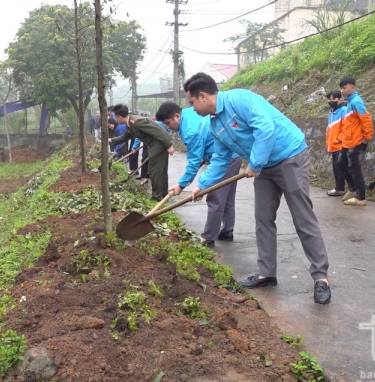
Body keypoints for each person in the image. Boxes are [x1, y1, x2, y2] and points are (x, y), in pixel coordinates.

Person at [183, 72, 331, 304]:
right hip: (264, 167)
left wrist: (254, 164)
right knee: (263, 219)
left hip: (289, 156)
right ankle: (266, 274)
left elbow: (265, 128)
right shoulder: (214, 124)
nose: (192, 109)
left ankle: (320, 277)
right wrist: (201, 185)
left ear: (202, 96)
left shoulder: (239, 99)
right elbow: (221, 159)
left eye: (192, 103)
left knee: (303, 217)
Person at [156, 101, 241, 248]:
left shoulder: (191, 130)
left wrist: (182, 184)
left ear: (177, 116)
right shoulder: (189, 113)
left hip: (224, 159)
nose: (168, 127)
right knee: (226, 198)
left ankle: (208, 237)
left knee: (215, 198)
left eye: (168, 123)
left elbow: (194, 162)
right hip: (233, 154)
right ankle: (227, 231)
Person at [109, 104, 174, 201]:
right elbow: (125, 137)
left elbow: (157, 130)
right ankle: (164, 195)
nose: (114, 119)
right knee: (160, 171)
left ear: (119, 117)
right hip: (155, 145)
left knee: (155, 171)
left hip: (158, 145)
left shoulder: (137, 121)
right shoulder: (130, 123)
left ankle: (157, 197)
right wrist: (111, 140)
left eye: (114, 117)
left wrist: (169, 145)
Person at [339, 76, 374, 206]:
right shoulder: (349, 103)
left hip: (356, 141)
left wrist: (366, 138)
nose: (342, 90)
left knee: (354, 168)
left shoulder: (356, 102)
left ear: (352, 87)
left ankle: (361, 198)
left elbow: (366, 119)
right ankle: (353, 189)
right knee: (341, 164)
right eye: (341, 88)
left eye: (344, 87)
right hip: (347, 141)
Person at [325, 90, 347, 196]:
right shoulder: (331, 112)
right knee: (336, 168)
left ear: (339, 99)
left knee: (339, 168)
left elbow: (346, 127)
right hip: (333, 145)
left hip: (339, 145)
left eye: (333, 98)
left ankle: (340, 189)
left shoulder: (343, 110)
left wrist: (339, 139)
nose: (331, 101)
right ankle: (339, 188)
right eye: (329, 99)